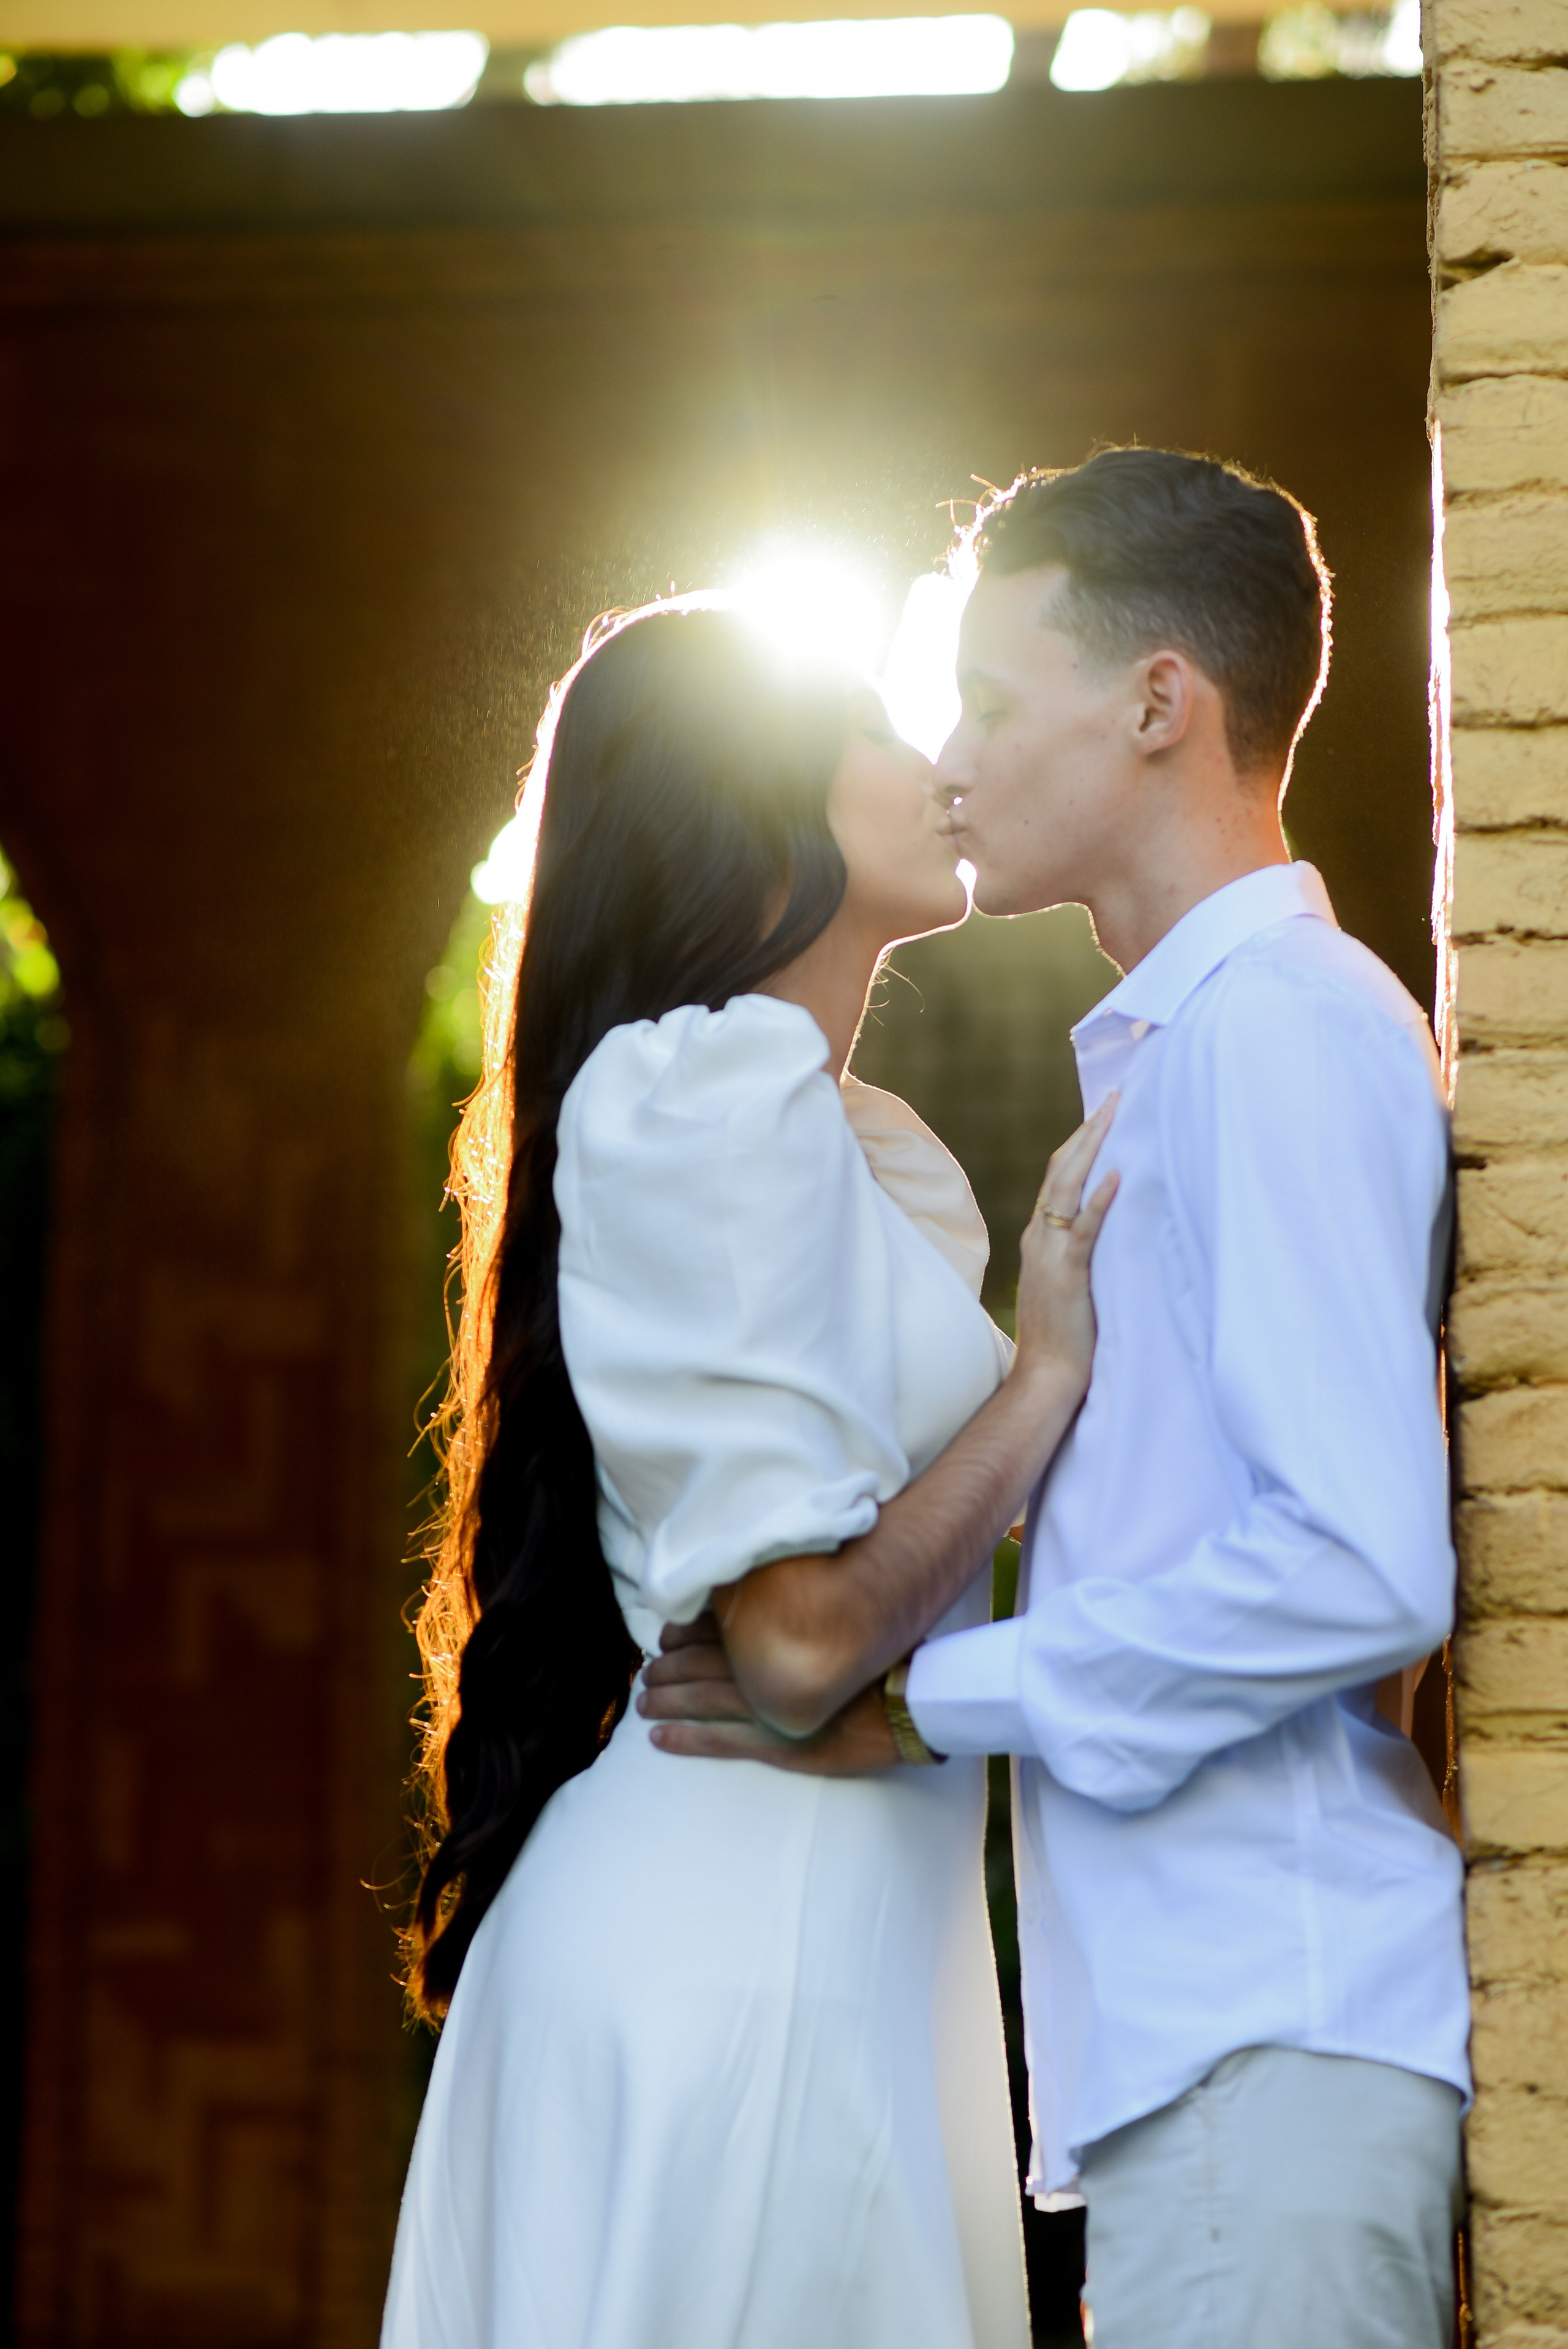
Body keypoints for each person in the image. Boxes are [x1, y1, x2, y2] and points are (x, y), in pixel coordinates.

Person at [643, 451, 1472, 2349]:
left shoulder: (1278, 1032)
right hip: (1210, 2053)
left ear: (1160, 701)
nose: (948, 758)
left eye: (993, 701)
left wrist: (923, 1703)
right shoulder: (1193, 1052)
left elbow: (1362, 1565)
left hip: (1279, 2024)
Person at [382, 595, 1118, 2349]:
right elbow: (793, 1650)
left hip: (844, 1947)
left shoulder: (843, 1134)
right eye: (872, 724)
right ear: (752, 807)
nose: (936, 762)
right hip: (738, 1958)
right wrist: (1048, 1381)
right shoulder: (705, 1087)